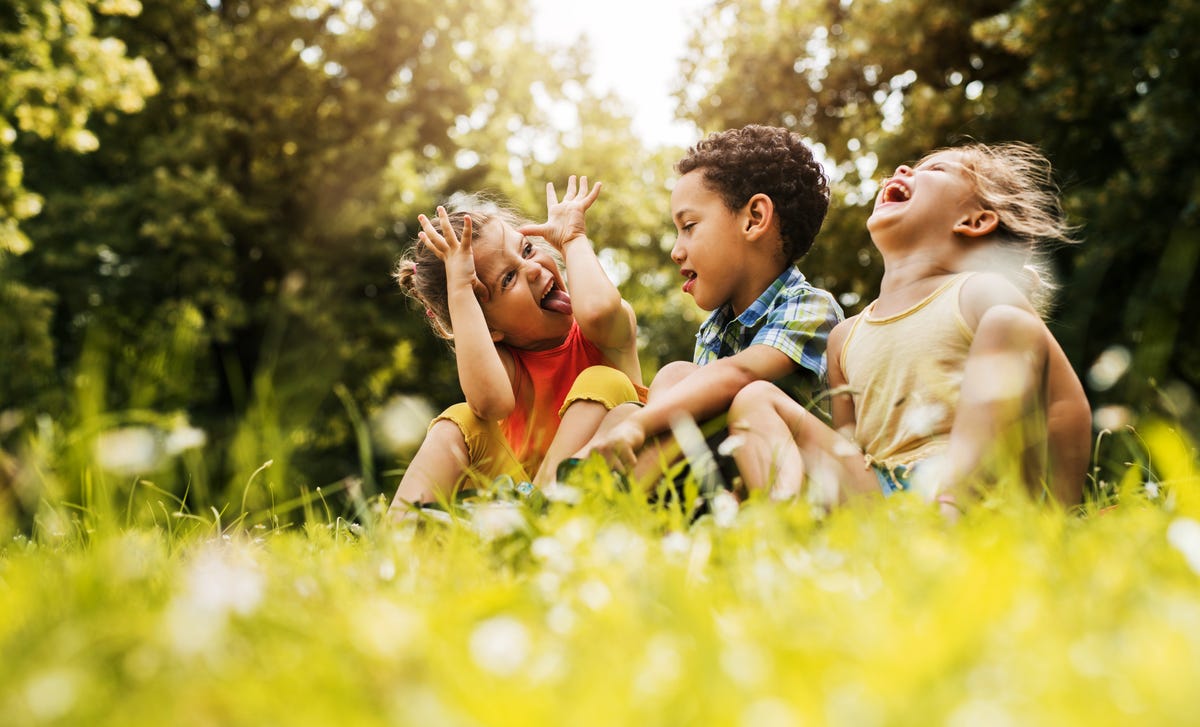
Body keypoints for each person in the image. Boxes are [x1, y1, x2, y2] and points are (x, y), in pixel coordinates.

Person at [724, 141, 1092, 512]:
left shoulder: (980, 293)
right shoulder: (844, 337)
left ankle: (953, 510)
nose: (902, 169)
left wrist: (1059, 513)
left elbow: (1064, 405)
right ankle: (782, 525)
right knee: (754, 399)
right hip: (883, 498)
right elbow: (848, 447)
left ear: (975, 221)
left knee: (1008, 322)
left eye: (934, 170)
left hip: (982, 493)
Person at [569, 125, 842, 492]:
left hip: (806, 482)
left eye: (689, 226)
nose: (676, 250)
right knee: (666, 380)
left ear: (754, 218)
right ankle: (596, 493)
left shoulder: (810, 307)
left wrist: (640, 426)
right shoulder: (715, 328)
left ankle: (593, 496)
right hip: (724, 478)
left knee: (666, 396)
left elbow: (740, 374)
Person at [389, 176, 647, 515]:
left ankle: (537, 510)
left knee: (604, 380)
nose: (532, 268)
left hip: (610, 483)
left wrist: (573, 238)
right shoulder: (505, 366)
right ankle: (403, 532)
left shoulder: (603, 336)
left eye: (526, 249)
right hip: (513, 503)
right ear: (489, 326)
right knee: (460, 419)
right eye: (508, 278)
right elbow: (489, 404)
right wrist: (461, 291)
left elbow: (598, 311)